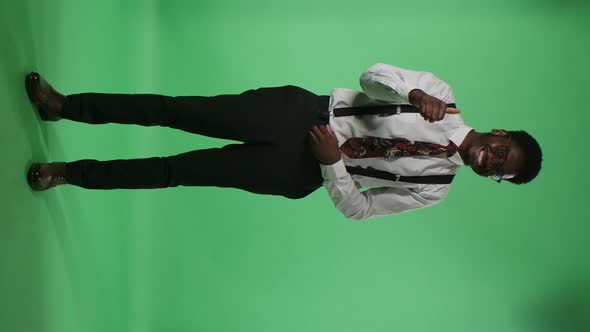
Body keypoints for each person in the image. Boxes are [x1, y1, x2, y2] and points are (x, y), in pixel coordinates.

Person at [25, 63, 543, 220]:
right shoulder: (443, 98)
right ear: (500, 134)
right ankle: (65, 106)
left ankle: (71, 174)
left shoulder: (436, 189)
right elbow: (370, 76)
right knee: (176, 111)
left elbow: (359, 208)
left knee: (178, 170)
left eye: (500, 170)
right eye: (503, 152)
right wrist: (409, 91)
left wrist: (332, 164)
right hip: (299, 112)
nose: (491, 161)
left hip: (300, 172)